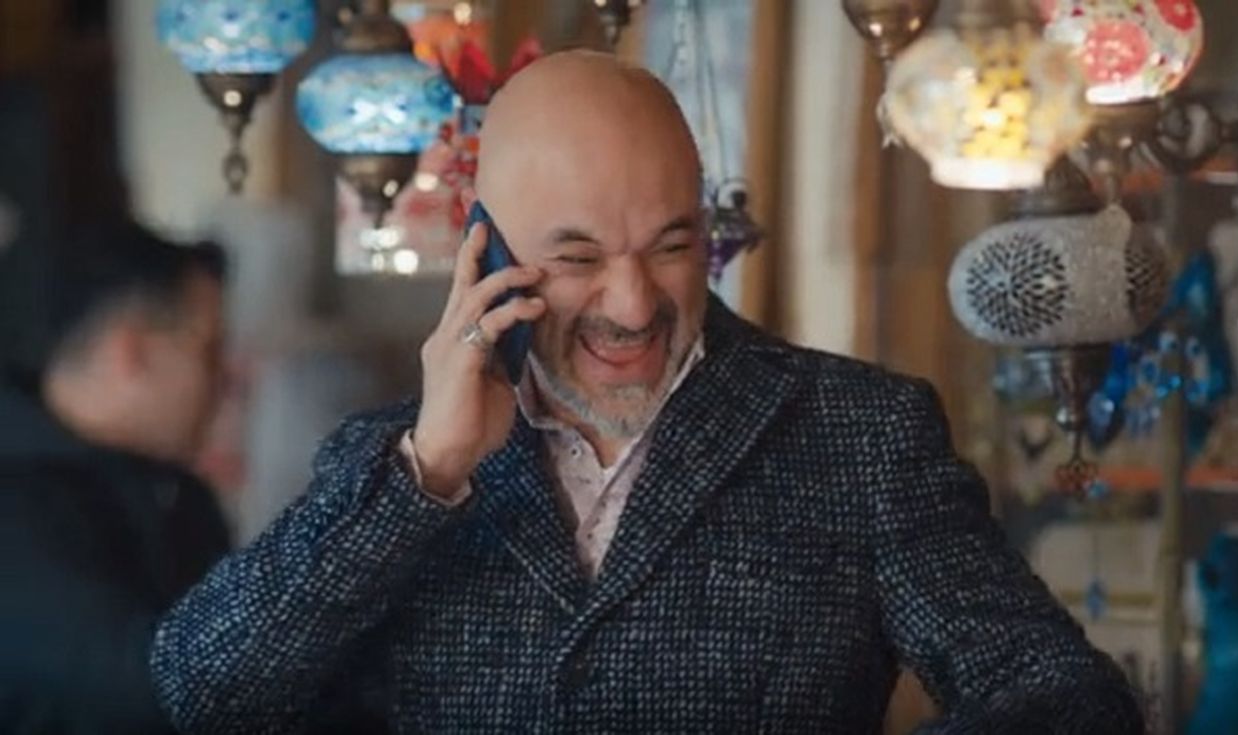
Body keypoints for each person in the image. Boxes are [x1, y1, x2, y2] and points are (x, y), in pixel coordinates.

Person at [152, 51, 1141, 733]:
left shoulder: (862, 435)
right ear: (485, 248)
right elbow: (204, 691)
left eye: (672, 246)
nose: (633, 304)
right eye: (578, 258)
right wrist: (430, 471)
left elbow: (1064, 698)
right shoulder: (390, 469)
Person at [0, 219, 231, 732]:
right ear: (133, 350)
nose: (225, 379)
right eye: (209, 351)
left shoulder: (178, 496)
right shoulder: (13, 509)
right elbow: (149, 688)